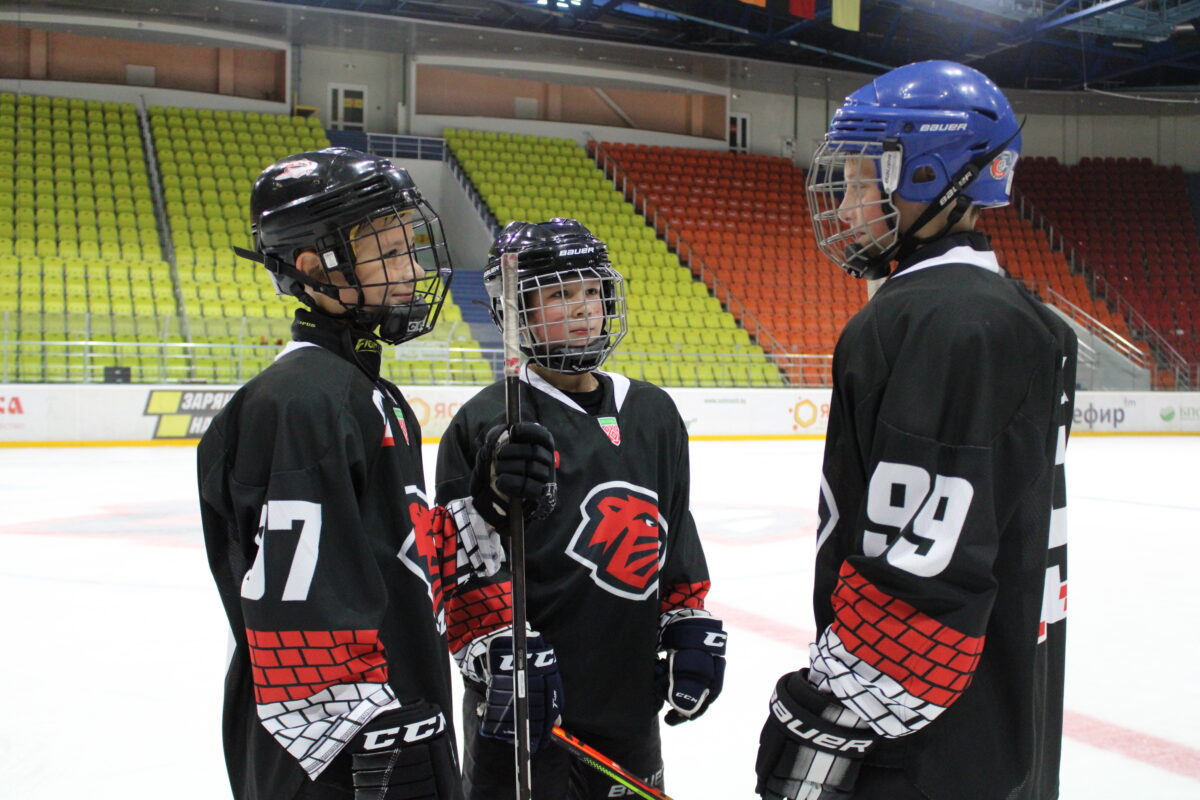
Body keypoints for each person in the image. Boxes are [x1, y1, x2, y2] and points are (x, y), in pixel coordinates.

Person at [754, 61, 1077, 800]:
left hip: (924, 749)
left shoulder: (941, 323)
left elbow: (926, 570)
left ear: (927, 176)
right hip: (993, 719)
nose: (845, 196)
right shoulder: (1006, 314)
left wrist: (829, 717)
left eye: (866, 174)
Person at [197, 148, 557, 800]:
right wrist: (374, 732)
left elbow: (398, 560)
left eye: (408, 250)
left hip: (394, 730)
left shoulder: (366, 393)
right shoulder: (301, 401)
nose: (414, 270)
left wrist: (489, 504)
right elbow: (294, 609)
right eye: (389, 255)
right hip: (338, 763)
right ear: (313, 269)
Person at [434, 218, 727, 799]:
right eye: (560, 294)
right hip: (526, 710)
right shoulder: (486, 422)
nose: (582, 308)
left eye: (592, 290)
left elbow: (673, 527)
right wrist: (499, 650)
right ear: (514, 310)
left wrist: (687, 620)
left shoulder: (653, 412)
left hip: (627, 705)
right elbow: (457, 567)